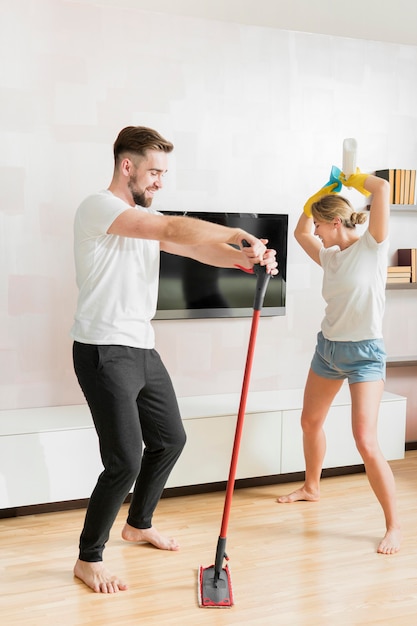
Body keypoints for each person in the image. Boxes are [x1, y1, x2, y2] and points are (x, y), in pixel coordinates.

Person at [70, 125, 278, 593]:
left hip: (141, 345)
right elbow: (169, 227)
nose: (160, 181)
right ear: (128, 166)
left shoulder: (142, 219)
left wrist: (245, 258)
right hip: (104, 348)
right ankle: (88, 558)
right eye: (155, 171)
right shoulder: (101, 209)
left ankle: (138, 523)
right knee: (123, 460)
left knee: (170, 439)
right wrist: (235, 230)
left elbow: (191, 246)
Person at [277, 167, 402, 555]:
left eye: (319, 224)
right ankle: (312, 487)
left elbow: (381, 188)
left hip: (365, 355)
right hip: (328, 350)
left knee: (365, 441)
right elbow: (298, 233)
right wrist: (318, 194)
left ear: (335, 223)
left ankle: (393, 526)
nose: (313, 231)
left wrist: (353, 177)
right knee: (309, 421)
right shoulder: (329, 256)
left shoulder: (372, 246)